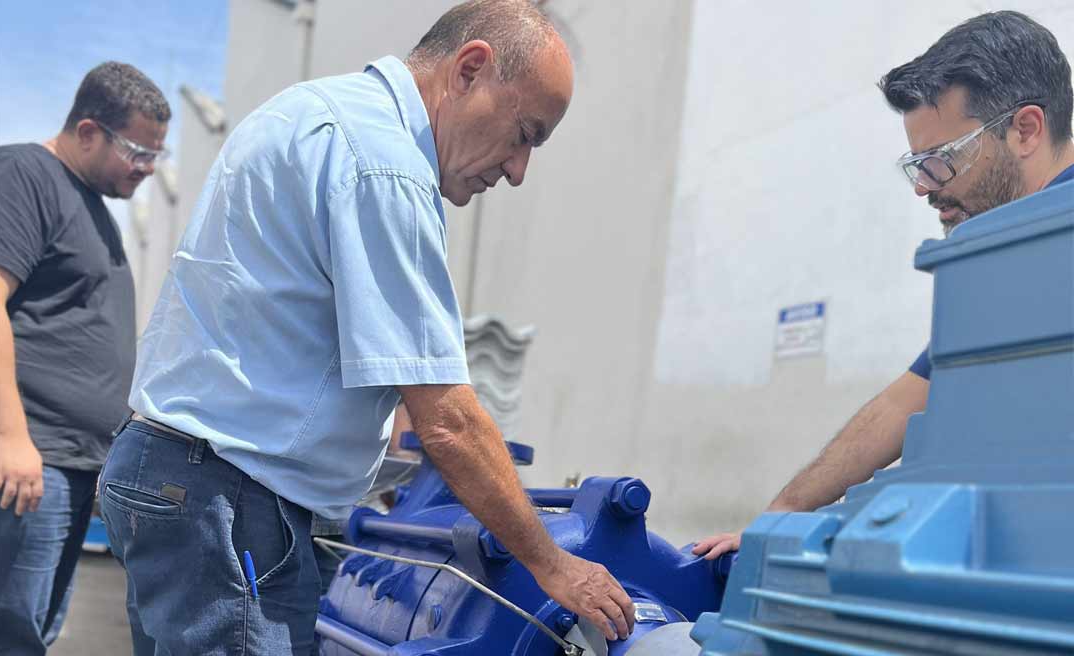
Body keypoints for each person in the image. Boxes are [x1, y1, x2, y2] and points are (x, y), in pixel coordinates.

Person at [99, 2, 635, 654]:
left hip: (191, 483)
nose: (519, 170)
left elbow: (318, 348)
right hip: (229, 501)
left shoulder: (320, 113)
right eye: (525, 133)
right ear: (470, 69)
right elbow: (447, 420)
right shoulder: (382, 164)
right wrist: (552, 562)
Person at [694, 9, 1074, 562]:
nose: (924, 188)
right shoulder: (1004, 262)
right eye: (916, 165)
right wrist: (777, 518)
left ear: (1026, 129)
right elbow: (907, 401)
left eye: (942, 160)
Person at [0, 62, 170, 654]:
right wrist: (11, 438)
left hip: (66, 464)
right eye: (137, 152)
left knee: (33, 632)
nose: (147, 169)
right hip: (27, 458)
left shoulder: (90, 205)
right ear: (88, 130)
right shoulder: (25, 175)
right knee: (10, 634)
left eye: (156, 156)